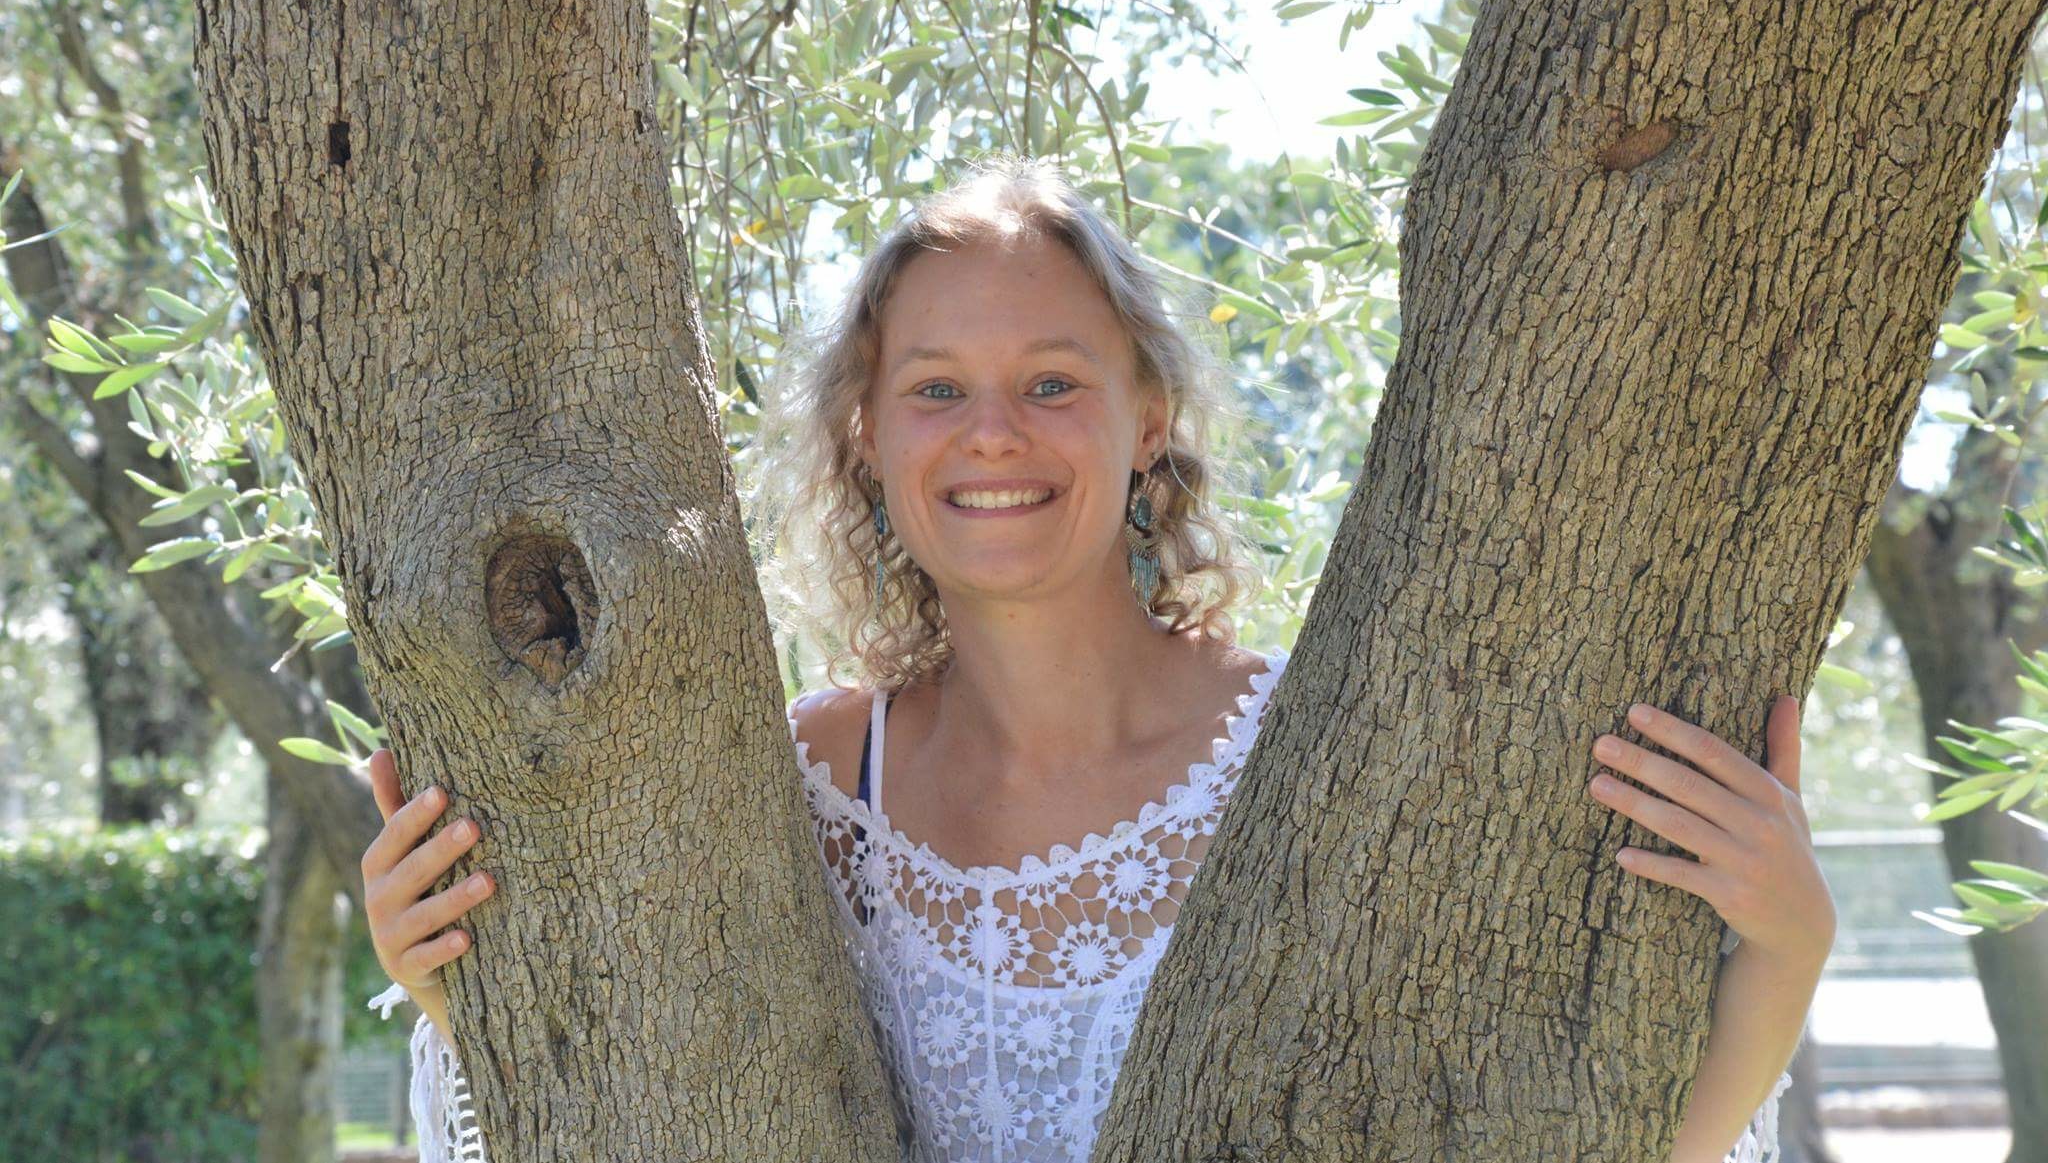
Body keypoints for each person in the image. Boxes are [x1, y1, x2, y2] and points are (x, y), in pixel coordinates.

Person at [362, 154, 1834, 1161]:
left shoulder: (1321, 749)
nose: (994, 435)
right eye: (937, 389)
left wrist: (1784, 946)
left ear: (1150, 419)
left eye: (1053, 382)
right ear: (866, 440)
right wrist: (454, 989)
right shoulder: (796, 786)